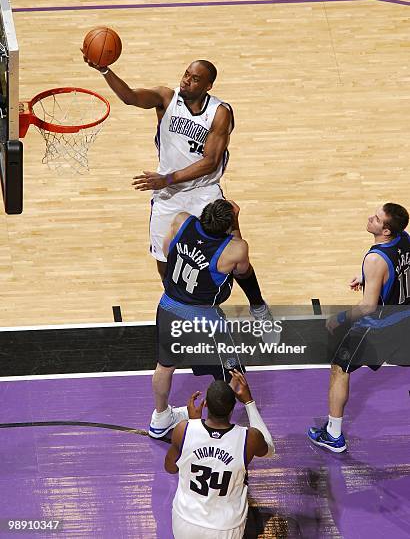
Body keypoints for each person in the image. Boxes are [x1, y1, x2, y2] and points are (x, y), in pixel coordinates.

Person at [83, 56, 271, 319]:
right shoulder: (166, 98)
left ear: (208, 86)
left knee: (236, 251)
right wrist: (104, 70)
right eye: (186, 74)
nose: (187, 81)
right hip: (168, 194)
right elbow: (129, 97)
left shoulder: (219, 113)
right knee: (164, 258)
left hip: (203, 192)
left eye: (195, 79)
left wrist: (168, 178)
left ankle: (258, 304)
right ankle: (182, 306)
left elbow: (211, 162)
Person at [150, 198, 270, 439]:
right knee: (231, 371)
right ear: (227, 225)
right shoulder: (234, 249)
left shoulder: (181, 221)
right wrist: (235, 221)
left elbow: (166, 252)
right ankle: (219, 424)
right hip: (203, 317)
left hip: (168, 306)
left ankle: (161, 418)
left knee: (165, 366)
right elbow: (242, 269)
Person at [308, 203, 410, 453]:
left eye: (376, 218)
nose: (369, 218)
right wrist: (369, 278)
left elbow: (367, 307)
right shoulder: (405, 238)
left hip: (380, 327)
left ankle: (333, 435)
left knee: (339, 368)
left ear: (385, 231)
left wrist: (339, 318)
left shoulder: (375, 258)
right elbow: (399, 267)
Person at [165, 369, 275, 539]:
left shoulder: (184, 429)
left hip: (185, 521)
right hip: (224, 528)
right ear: (233, 407)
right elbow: (269, 450)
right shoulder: (249, 438)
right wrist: (249, 402)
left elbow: (170, 467)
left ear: (205, 404)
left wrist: (193, 423)